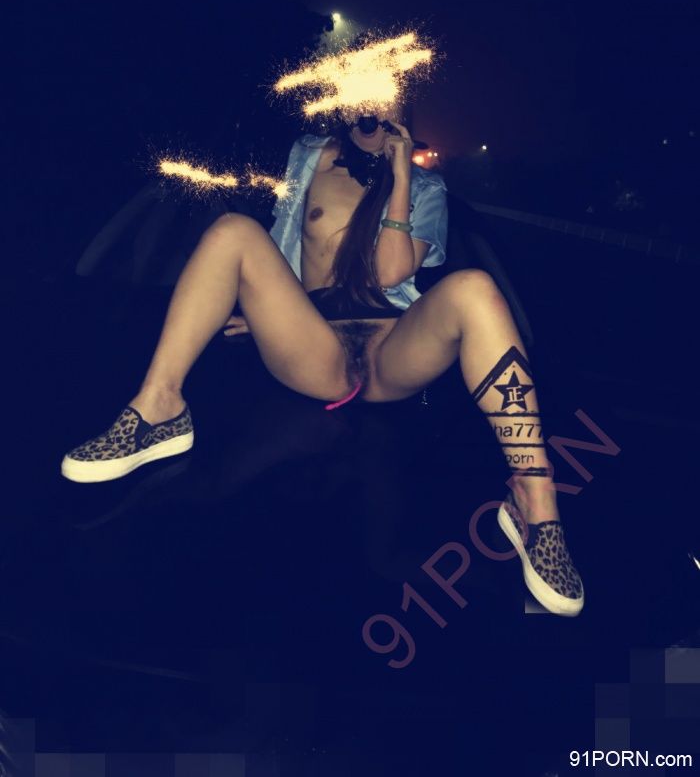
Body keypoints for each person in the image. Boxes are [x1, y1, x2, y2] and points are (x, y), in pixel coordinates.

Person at [61, 113, 584, 616]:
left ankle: (534, 497)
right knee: (232, 229)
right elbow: (280, 237)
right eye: (366, 97)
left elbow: (388, 272)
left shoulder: (425, 187)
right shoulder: (309, 155)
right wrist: (265, 309)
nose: (374, 113)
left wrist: (402, 174)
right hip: (314, 347)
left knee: (476, 287)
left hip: (394, 349)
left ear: (402, 111)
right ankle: (159, 408)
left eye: (388, 103)